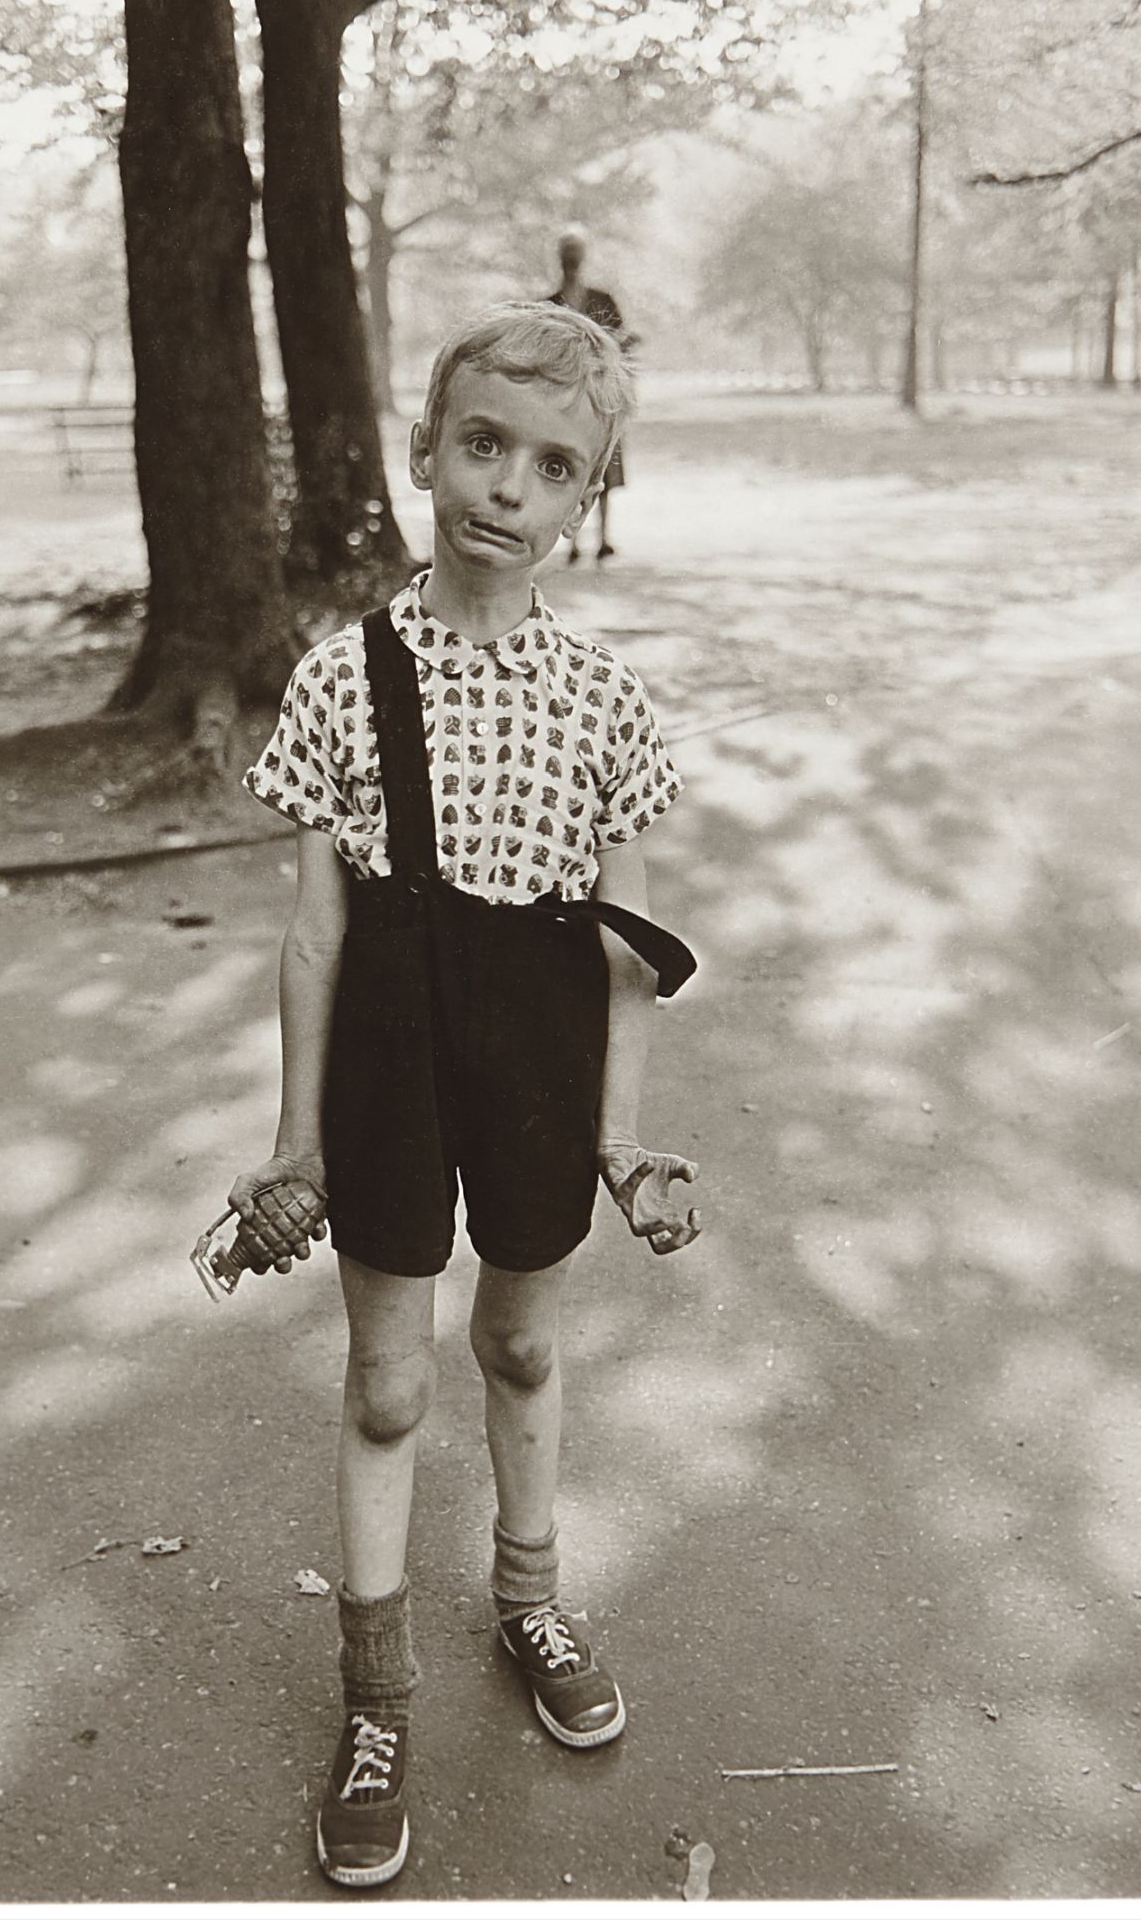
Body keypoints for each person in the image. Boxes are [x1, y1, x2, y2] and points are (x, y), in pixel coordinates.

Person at [225, 300, 702, 1890]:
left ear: (589, 501)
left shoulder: (612, 708)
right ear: (426, 450)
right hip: (386, 1059)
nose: (508, 484)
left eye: (553, 465)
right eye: (482, 443)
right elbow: (312, 934)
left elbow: (630, 953)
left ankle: (531, 1595)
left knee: (519, 1341)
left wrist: (624, 1143)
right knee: (386, 1385)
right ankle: (374, 1700)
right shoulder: (342, 676)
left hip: (538, 1063)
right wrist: (293, 1141)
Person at [547, 228, 636, 564]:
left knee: (603, 470)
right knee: (569, 468)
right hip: (563, 401)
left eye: (575, 255)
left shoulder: (602, 300)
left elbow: (620, 341)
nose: (571, 262)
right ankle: (572, 543)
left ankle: (602, 539)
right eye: (567, 255)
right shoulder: (550, 304)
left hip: (600, 398)